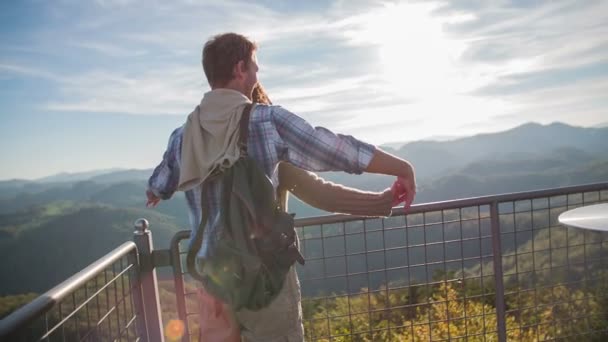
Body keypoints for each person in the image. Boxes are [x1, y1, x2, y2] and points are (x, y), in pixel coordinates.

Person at [147, 32, 416, 341]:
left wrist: (156, 191)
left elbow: (161, 182)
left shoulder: (182, 136)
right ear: (240, 69)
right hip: (263, 280)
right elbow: (332, 150)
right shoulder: (267, 121)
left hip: (214, 281)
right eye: (254, 66)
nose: (257, 73)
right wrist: (401, 168)